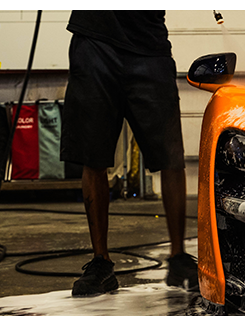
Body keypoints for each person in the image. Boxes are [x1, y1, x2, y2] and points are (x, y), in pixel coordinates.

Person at [61, 10, 198, 296]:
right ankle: (101, 262)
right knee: (93, 155)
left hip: (148, 45)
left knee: (170, 154)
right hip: (94, 41)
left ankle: (178, 257)